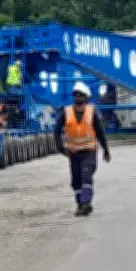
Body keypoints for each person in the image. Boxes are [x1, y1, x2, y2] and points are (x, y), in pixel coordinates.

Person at [54, 81, 111, 216]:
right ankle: (80, 204)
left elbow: (100, 131)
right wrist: (60, 147)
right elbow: (56, 130)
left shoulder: (92, 112)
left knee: (86, 177)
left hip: (89, 152)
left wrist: (106, 149)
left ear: (86, 98)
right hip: (73, 153)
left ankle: (86, 203)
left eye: (81, 95)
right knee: (76, 181)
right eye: (76, 95)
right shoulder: (66, 112)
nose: (78, 98)